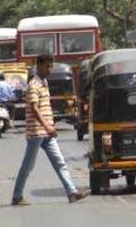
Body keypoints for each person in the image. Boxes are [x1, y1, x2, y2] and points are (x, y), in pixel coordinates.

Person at [11, 54, 88, 205]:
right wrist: (46, 126)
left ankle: (72, 192)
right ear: (38, 65)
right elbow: (34, 108)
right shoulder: (34, 85)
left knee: (60, 162)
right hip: (37, 132)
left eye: (51, 66)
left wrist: (49, 126)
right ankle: (17, 196)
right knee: (28, 166)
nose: (50, 69)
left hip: (46, 133)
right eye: (47, 66)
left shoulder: (44, 82)